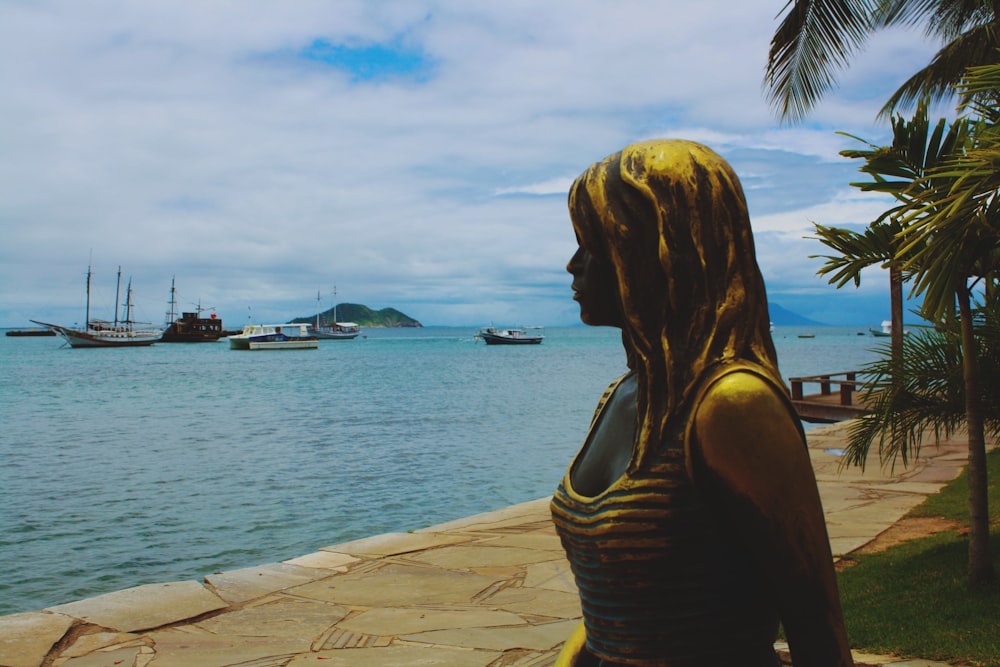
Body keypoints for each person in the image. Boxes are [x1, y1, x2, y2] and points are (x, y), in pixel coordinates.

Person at [551, 139, 853, 667]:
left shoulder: (734, 407)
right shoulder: (622, 395)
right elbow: (616, 610)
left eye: (594, 244)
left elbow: (814, 623)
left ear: (655, 251)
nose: (573, 266)